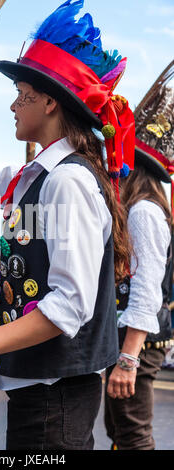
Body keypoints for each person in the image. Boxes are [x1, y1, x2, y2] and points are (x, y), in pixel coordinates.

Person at [0, 0, 135, 449]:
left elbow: (71, 305)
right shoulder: (41, 175)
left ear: (48, 101)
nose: (13, 105)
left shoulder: (69, 181)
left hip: (54, 397)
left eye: (21, 93)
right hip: (43, 392)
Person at [105, 65, 174, 450]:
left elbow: (147, 286)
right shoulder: (136, 209)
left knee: (132, 435)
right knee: (120, 432)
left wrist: (128, 359)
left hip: (139, 345)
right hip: (130, 340)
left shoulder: (144, 212)